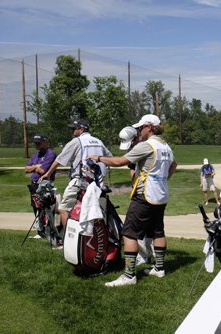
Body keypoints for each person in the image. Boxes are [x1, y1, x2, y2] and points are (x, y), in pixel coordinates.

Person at [88, 114, 177, 287]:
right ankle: (159, 268)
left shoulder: (147, 145)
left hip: (144, 196)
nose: (139, 131)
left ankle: (129, 276)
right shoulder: (165, 145)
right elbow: (173, 165)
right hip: (161, 195)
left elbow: (120, 161)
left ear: (149, 127)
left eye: (141, 127)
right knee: (157, 231)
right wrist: (163, 179)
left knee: (129, 233)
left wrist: (98, 158)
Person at [41, 119, 112, 232]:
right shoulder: (98, 141)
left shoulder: (77, 141)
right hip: (99, 183)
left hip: (80, 181)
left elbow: (60, 159)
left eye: (74, 128)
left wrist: (47, 173)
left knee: (64, 209)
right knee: (96, 210)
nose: (72, 131)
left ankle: (67, 239)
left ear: (82, 129)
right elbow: (109, 157)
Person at [119, 125, 154, 266]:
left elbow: (123, 163)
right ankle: (150, 257)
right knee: (152, 228)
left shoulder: (142, 147)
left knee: (130, 231)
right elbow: (132, 169)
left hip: (143, 193)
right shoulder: (148, 146)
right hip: (152, 193)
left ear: (136, 138)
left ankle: (136, 263)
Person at [25, 133, 57, 238]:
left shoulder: (50, 154)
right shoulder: (36, 154)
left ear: (45, 142)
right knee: (35, 207)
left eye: (38, 143)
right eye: (35, 143)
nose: (36, 145)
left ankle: (49, 232)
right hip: (34, 184)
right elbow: (26, 169)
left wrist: (34, 167)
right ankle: (40, 231)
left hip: (44, 185)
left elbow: (43, 170)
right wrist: (36, 166)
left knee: (46, 208)